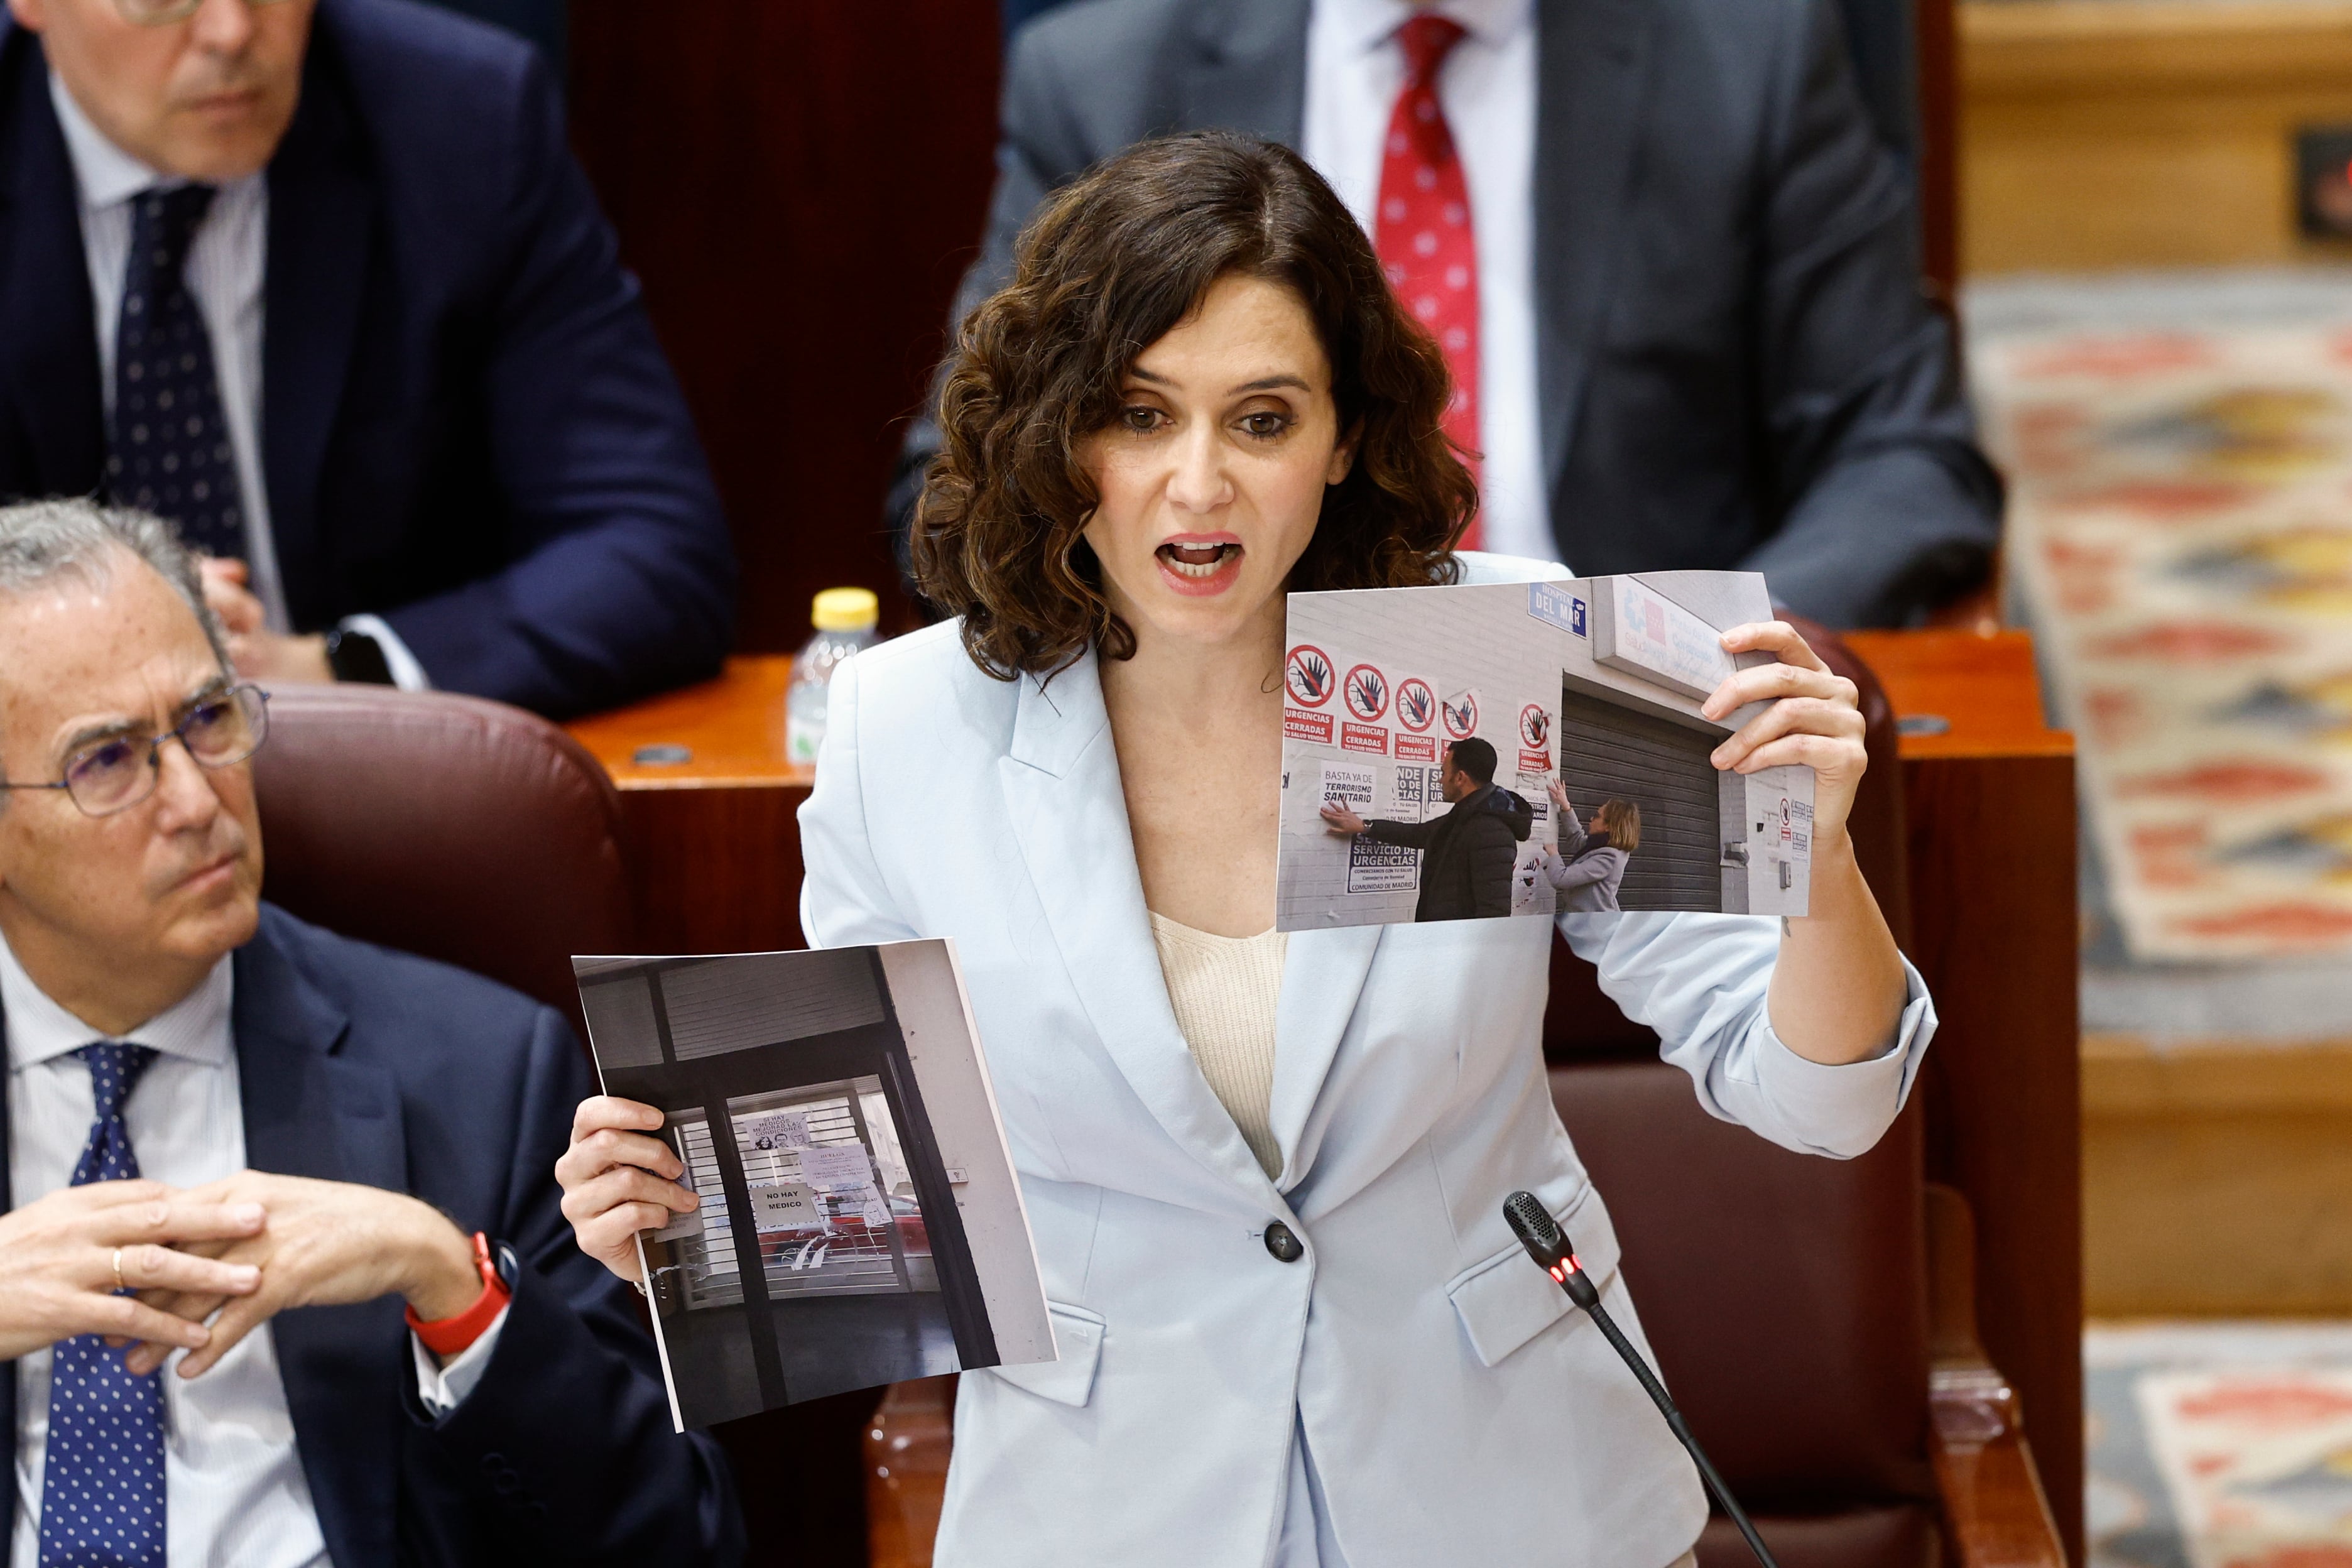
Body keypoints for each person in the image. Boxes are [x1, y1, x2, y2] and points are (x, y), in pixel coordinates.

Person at [563, 134, 1932, 1566]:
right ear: (1057, 429)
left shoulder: (1494, 665)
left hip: (1506, 1496)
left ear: (1343, 437)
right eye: (1137, 415)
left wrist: (1818, 863)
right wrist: (681, 1219)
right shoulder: (900, 728)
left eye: (1260, 419)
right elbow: (887, 1198)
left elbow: (1822, 1108)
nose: (1194, 484)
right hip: (1104, 1506)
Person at [0, 498, 743, 1565]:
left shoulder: (481, 1072)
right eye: (107, 759)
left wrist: (447, 1280)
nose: (198, 799)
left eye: (208, 719)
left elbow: (678, 1540)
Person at [888, 0, 2001, 629]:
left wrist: (1687, 656)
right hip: (1220, 726)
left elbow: (1900, 459)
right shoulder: (1099, 80)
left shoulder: (1744, 59)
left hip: (1626, 742)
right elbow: (971, 469)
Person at [0, 0, 736, 719]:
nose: (230, 31)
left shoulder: (461, 117)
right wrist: (89, 634)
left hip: (383, 793)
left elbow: (654, 547)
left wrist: (335, 671)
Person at [1317, 736, 1530, 921]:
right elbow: (1417, 834)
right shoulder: (1465, 816)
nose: (1440, 779)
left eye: (1443, 772)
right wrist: (1365, 826)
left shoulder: (1492, 831)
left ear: (1460, 778)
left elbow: (1494, 915)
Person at [1533, 780, 1634, 913]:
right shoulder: (1601, 846)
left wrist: (1554, 855)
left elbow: (1561, 879)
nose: (1591, 818)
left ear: (1609, 826)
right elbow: (1578, 839)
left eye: (1597, 816)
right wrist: (1565, 806)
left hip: (1592, 927)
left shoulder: (1609, 857)